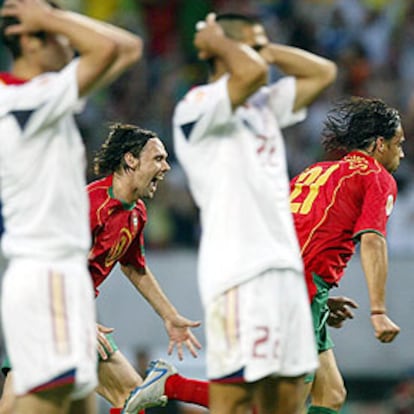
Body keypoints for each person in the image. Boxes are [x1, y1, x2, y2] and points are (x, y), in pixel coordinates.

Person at [172, 11, 337, 414]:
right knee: (234, 398)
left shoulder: (261, 105)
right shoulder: (197, 105)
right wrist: (227, 44)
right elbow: (247, 73)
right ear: (220, 48)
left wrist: (262, 48)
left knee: (287, 398)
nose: (260, 55)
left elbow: (322, 73)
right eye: (253, 44)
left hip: (284, 269)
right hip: (238, 273)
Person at [0, 123, 209, 414]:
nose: (166, 167)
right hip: (48, 312)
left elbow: (134, 268)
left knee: (131, 398)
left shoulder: (136, 212)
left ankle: (163, 383)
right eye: (158, 159)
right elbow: (52, 266)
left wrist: (170, 315)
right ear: (130, 159)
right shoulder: (90, 204)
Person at [0, 0, 142, 413]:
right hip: (45, 274)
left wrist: (51, 17)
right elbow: (108, 49)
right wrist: (48, 16)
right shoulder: (24, 101)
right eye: (60, 37)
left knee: (78, 406)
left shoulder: (41, 98)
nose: (70, 43)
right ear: (29, 41)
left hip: (61, 276)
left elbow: (129, 48)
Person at [290, 96, 402, 414]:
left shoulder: (316, 172)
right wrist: (378, 310)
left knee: (331, 393)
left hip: (285, 281)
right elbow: (372, 240)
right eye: (399, 143)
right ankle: (172, 385)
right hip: (298, 286)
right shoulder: (377, 178)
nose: (402, 153)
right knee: (284, 405)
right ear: (380, 144)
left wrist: (320, 299)